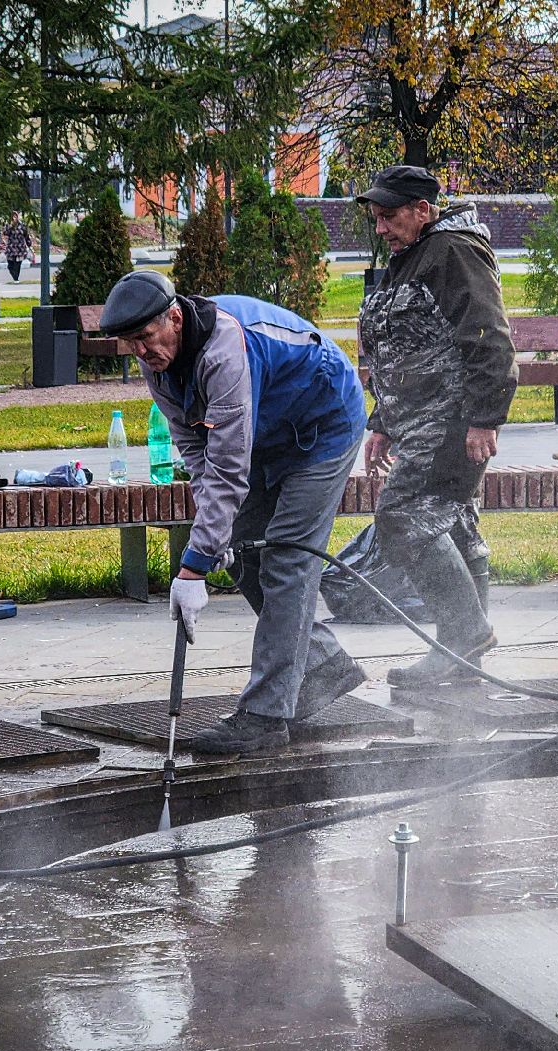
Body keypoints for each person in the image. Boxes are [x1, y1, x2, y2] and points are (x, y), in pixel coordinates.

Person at [102, 271, 368, 755]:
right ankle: (325, 663)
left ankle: (266, 718)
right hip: (265, 434)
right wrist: (212, 538)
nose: (140, 352)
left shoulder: (224, 351)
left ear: (175, 318)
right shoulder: (157, 363)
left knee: (288, 557)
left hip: (324, 425)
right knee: (245, 552)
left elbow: (228, 468)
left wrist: (192, 565)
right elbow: (198, 454)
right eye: (129, 344)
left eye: (144, 338)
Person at [355, 165, 516, 688]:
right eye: (376, 218)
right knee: (456, 523)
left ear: (422, 210)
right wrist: (381, 420)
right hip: (419, 421)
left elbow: (489, 336)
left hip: (451, 422)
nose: (380, 228)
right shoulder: (412, 256)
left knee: (401, 517)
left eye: (388, 216)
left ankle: (463, 632)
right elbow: (400, 347)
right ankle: (466, 657)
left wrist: (485, 419)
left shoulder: (453, 252)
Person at [1, 211, 31, 282]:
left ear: (17, 217)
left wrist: (29, 244)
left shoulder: (22, 225)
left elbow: (26, 235)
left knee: (17, 264)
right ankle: (15, 276)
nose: (14, 218)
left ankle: (16, 278)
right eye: (13, 216)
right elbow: (5, 233)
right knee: (10, 265)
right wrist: (11, 226)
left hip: (20, 248)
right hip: (11, 248)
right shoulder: (8, 225)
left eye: (15, 216)